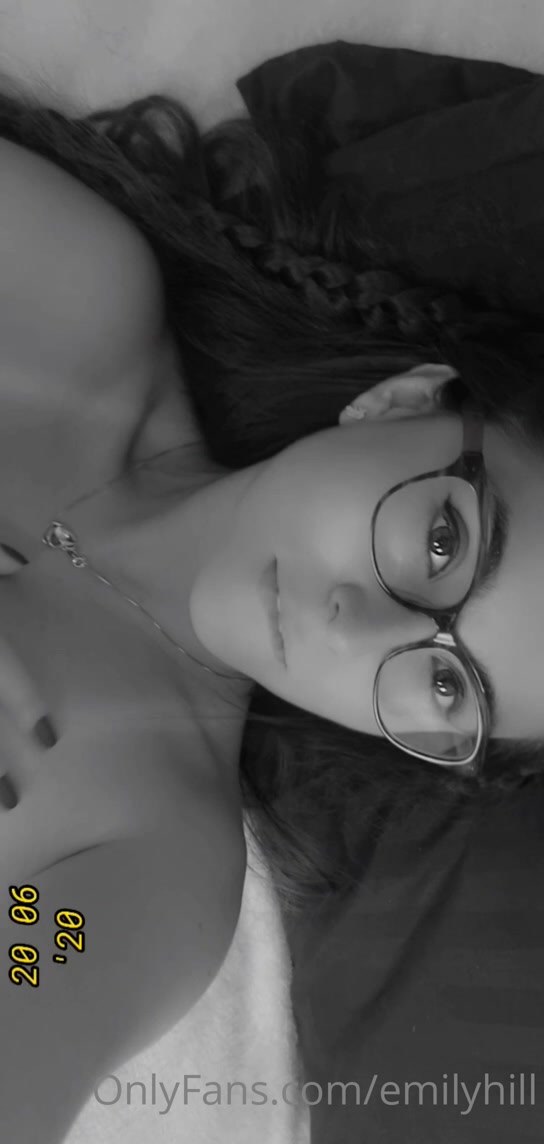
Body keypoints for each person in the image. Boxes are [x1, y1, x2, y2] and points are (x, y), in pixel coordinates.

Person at [1, 83, 544, 1142]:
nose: (351, 623)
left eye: (446, 685)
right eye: (441, 543)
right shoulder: (69, 297)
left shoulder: (148, 854)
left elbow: (30, 976)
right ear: (401, 402)